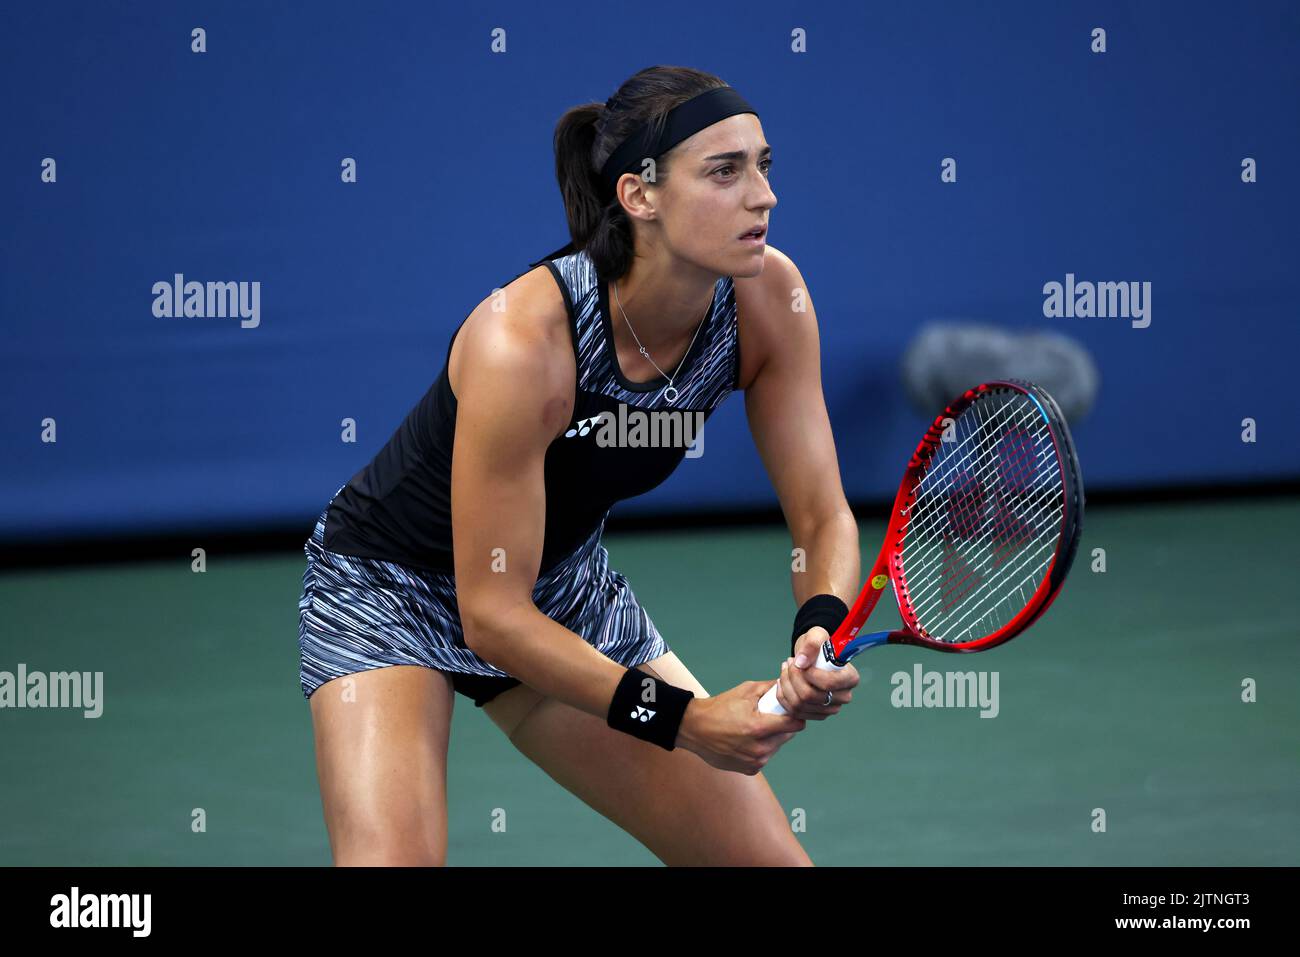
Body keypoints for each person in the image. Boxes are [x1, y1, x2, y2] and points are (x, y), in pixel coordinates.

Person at [297, 65, 861, 866]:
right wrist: (688, 720)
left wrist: (820, 630)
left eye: (764, 166)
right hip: (389, 589)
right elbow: (489, 615)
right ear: (640, 195)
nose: (763, 196)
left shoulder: (770, 300)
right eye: (724, 171)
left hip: (556, 587)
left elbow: (821, 515)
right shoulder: (522, 338)